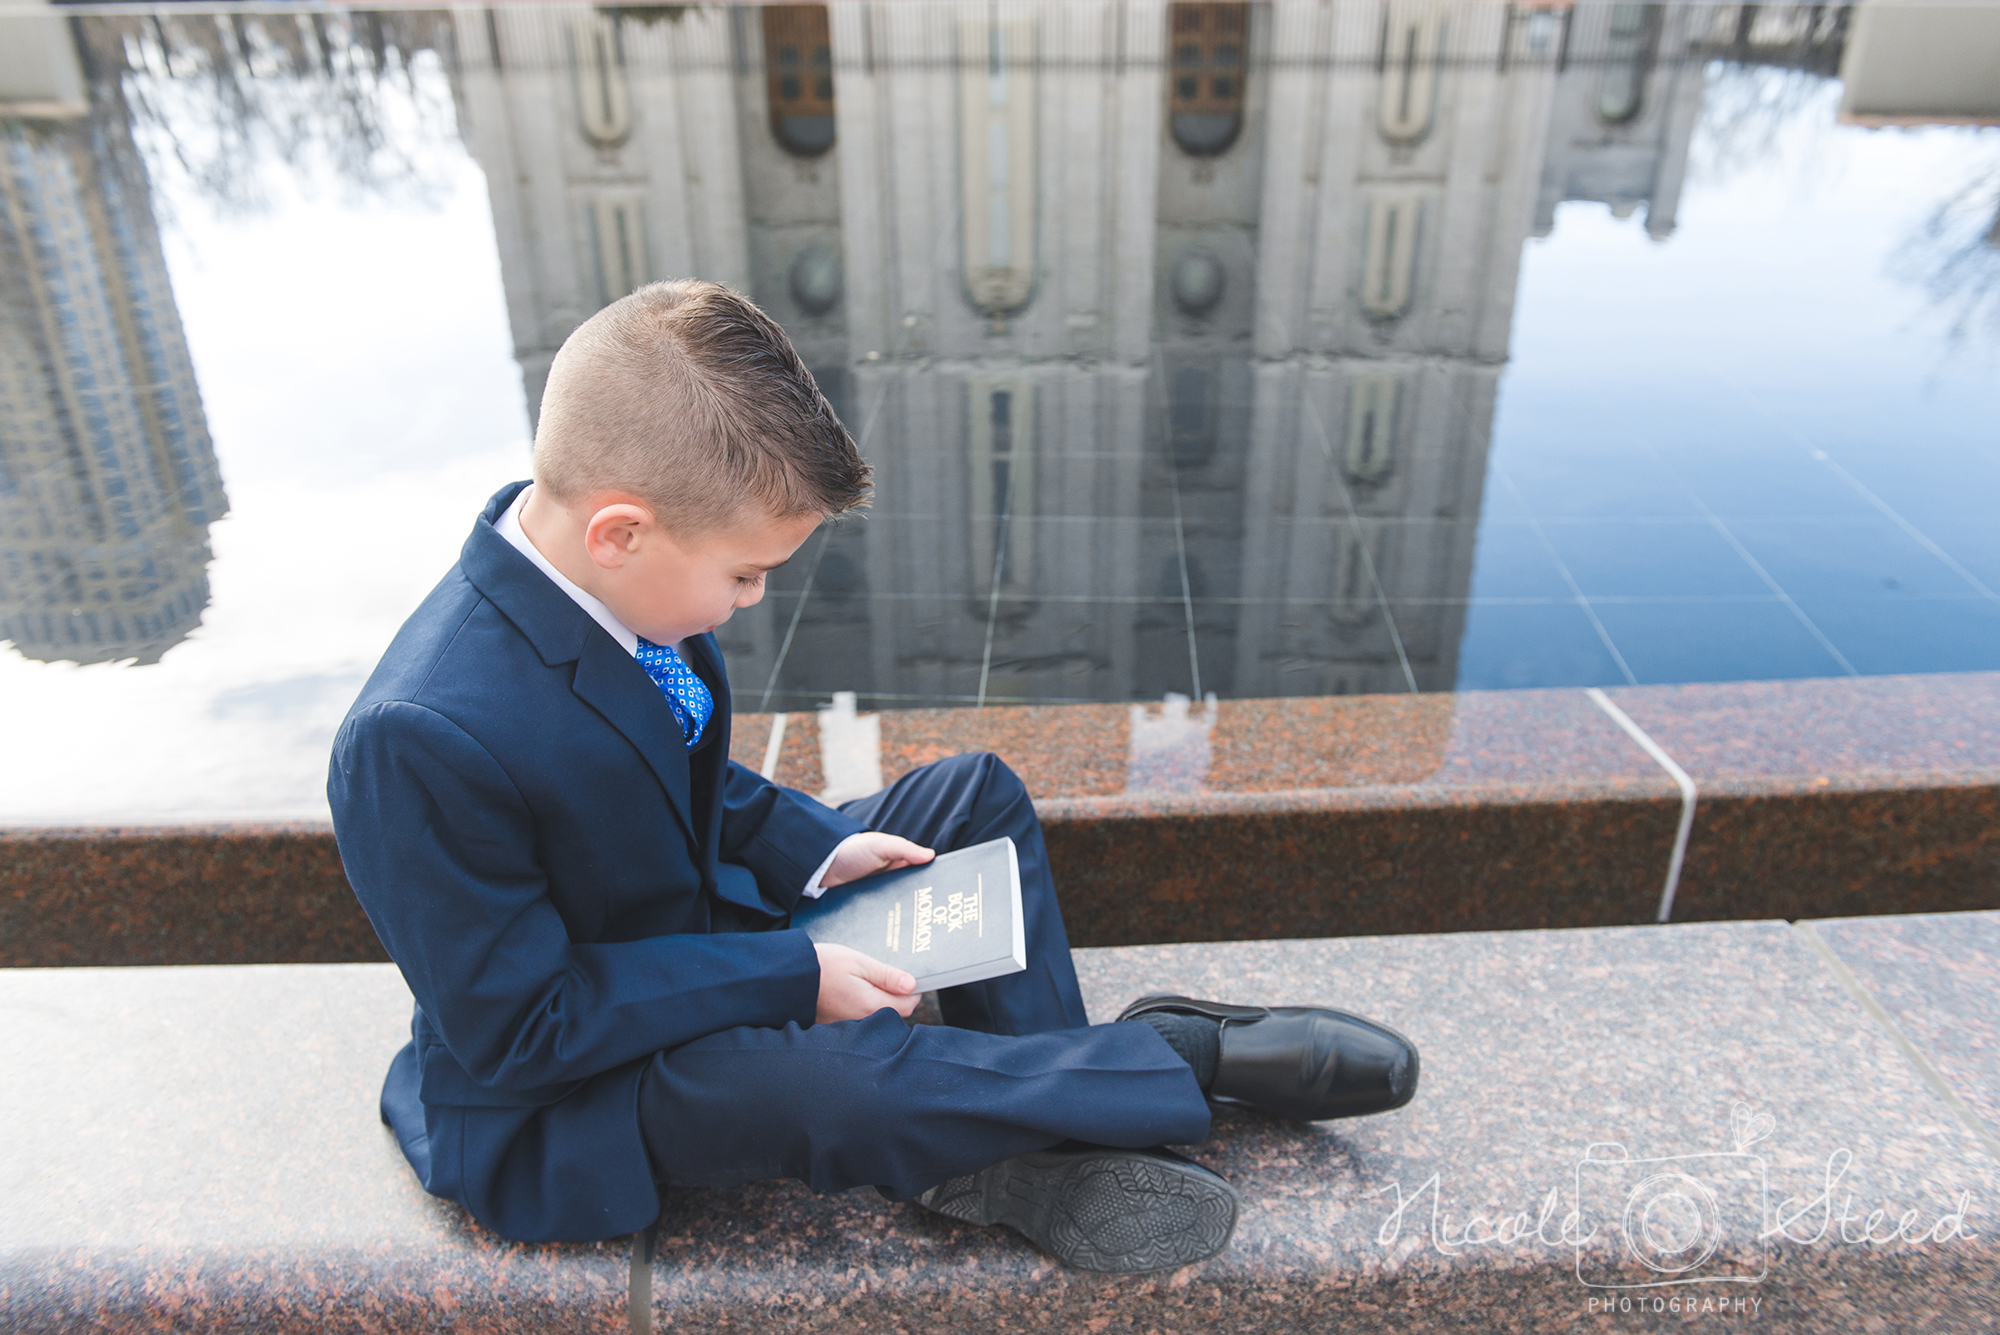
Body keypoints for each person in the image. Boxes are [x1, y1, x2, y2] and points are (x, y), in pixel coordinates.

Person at [328, 279, 1419, 1274]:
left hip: (700, 934)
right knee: (837, 1077)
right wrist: (790, 978)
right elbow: (527, 1029)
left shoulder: (619, 583)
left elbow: (687, 785)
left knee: (972, 801)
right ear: (620, 531)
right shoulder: (415, 738)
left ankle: (1006, 1145)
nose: (751, 602)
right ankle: (1166, 1059)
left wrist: (815, 845)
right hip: (578, 1084)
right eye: (745, 574)